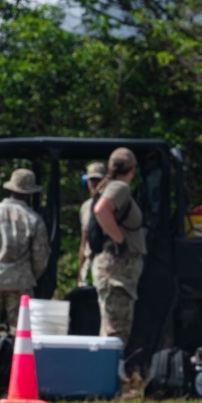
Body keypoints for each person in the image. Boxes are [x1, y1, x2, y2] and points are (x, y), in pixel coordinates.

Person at [0, 168, 51, 360]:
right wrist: (31, 275)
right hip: (21, 282)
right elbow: (41, 257)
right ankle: (15, 369)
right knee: (20, 329)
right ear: (30, 193)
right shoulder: (34, 219)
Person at [91, 147, 146, 346]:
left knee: (112, 327)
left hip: (117, 269)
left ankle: (109, 373)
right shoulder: (119, 188)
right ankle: (110, 375)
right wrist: (120, 240)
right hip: (118, 269)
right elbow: (101, 210)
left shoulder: (111, 186)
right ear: (132, 169)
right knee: (116, 330)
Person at [78, 161, 108, 286]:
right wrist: (80, 274)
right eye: (92, 180)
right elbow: (83, 243)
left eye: (99, 180)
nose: (95, 183)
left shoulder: (112, 204)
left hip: (107, 263)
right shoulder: (85, 207)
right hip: (90, 264)